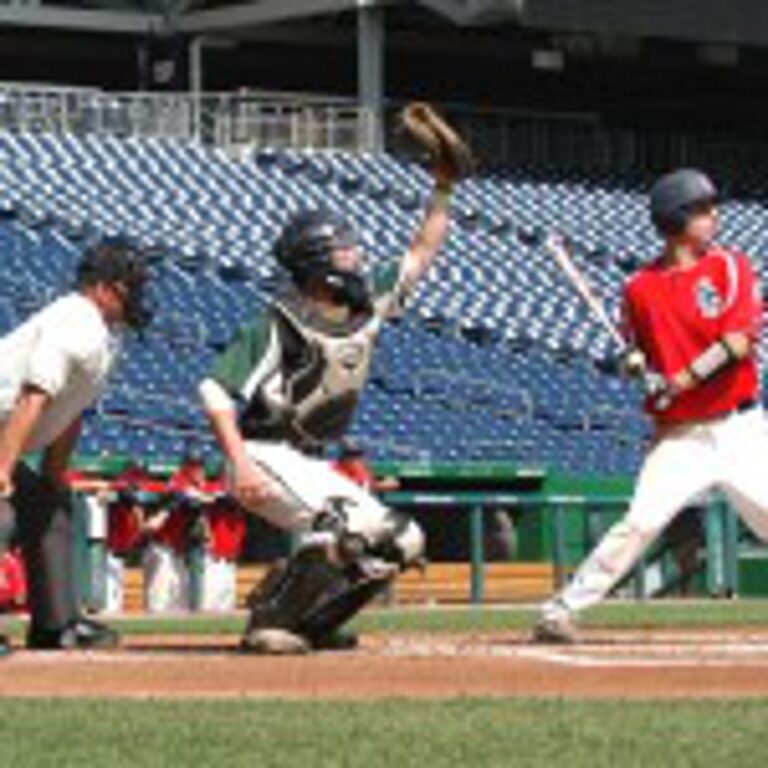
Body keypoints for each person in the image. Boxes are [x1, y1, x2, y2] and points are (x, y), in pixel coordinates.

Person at [199, 158, 459, 653]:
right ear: (317, 261)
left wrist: (443, 190)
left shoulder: (365, 306)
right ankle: (271, 620)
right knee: (359, 529)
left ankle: (312, 624)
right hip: (261, 454)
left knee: (403, 539)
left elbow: (421, 252)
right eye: (343, 249)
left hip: (303, 457)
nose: (355, 257)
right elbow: (213, 390)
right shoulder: (279, 322)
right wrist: (239, 463)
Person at [533, 168, 768, 643]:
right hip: (682, 437)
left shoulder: (729, 266)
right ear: (677, 217)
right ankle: (560, 611)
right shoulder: (639, 288)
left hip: (739, 427)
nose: (713, 216)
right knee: (639, 522)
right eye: (702, 209)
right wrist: (640, 371)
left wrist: (677, 381)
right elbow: (644, 360)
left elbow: (739, 343)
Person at [0, 240, 152, 653]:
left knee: (49, 504)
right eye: (128, 287)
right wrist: (3, 469)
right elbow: (34, 396)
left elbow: (69, 411)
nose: (135, 296)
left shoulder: (101, 335)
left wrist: (52, 475)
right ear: (102, 287)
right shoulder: (77, 320)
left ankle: (55, 624)